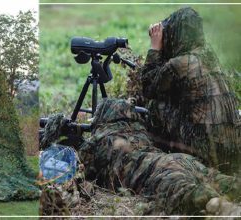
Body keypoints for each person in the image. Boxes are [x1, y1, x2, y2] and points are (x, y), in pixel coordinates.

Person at [78, 98, 240, 215]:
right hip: (178, 159)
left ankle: (225, 209)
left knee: (193, 194)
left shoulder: (99, 138)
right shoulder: (139, 130)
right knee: (220, 180)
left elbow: (79, 168)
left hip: (152, 170)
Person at [139, 7, 241, 175]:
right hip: (231, 149)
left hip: (206, 151)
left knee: (157, 105)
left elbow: (148, 88)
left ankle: (166, 154)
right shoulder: (209, 55)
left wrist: (155, 48)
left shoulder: (180, 63)